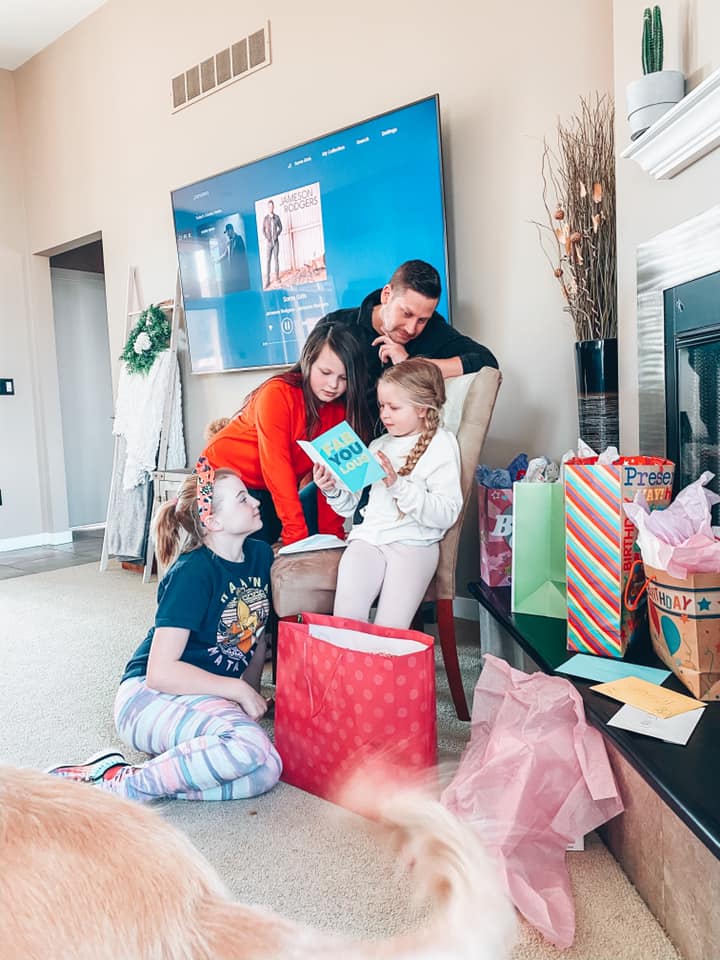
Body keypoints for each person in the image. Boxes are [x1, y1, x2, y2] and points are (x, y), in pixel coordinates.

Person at [46, 462, 282, 802]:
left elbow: (252, 639)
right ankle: (112, 789)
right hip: (147, 697)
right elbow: (160, 672)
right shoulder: (192, 573)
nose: (256, 502)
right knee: (247, 747)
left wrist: (250, 695)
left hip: (203, 695)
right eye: (242, 498)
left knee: (266, 769)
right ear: (213, 522)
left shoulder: (259, 555)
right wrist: (236, 689)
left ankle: (142, 774)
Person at [313, 358, 462, 629]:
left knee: (389, 631)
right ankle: (349, 658)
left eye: (394, 407)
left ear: (421, 408)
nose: (384, 415)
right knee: (344, 621)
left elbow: (447, 513)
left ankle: (379, 657)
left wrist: (397, 484)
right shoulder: (378, 444)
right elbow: (354, 509)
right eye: (382, 406)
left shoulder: (441, 444)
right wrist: (331, 489)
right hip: (368, 539)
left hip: (413, 543)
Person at [203, 320, 370, 547]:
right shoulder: (277, 393)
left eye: (344, 378)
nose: (333, 385)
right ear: (308, 362)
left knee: (266, 543)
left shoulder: (341, 413)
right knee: (242, 551)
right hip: (215, 473)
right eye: (326, 372)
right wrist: (296, 539)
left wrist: (333, 539)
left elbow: (331, 481)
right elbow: (276, 467)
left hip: (263, 488)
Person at [322, 259, 499, 432]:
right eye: (406, 314)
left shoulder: (433, 330)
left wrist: (411, 365)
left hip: (399, 443)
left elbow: (486, 360)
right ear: (386, 295)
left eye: (422, 320)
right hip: (336, 436)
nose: (411, 329)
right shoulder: (336, 324)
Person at [216, 222, 250, 291]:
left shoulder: (239, 238)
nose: (227, 234)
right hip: (233, 271)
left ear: (231, 230)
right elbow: (225, 254)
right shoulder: (228, 242)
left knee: (242, 287)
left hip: (240, 271)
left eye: (227, 232)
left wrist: (242, 269)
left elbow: (243, 254)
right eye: (226, 233)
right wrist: (217, 260)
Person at [262, 200, 282, 287]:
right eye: (269, 206)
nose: (270, 208)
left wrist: (276, 235)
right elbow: (263, 230)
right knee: (268, 261)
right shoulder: (265, 219)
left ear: (273, 207)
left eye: (271, 206)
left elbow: (280, 227)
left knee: (276, 259)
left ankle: (277, 278)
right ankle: (267, 280)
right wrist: (267, 237)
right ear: (268, 207)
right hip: (269, 243)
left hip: (276, 242)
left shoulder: (277, 217)